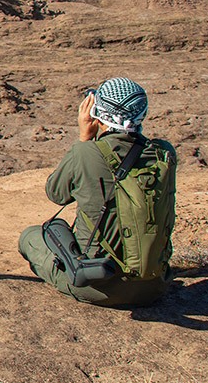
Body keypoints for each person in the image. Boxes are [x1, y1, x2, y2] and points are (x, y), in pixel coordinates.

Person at [18, 76, 177, 306]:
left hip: (95, 285)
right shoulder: (164, 153)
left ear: (97, 113)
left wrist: (84, 138)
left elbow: (56, 193)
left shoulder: (87, 152)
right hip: (155, 285)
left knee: (30, 237)